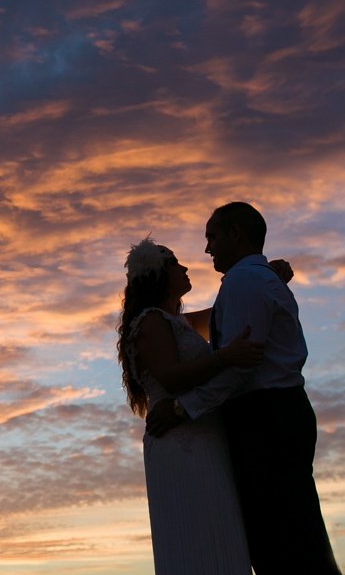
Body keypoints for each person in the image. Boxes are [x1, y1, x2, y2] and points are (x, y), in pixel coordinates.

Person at [147, 202, 341, 574]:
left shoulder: (245, 283)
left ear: (236, 234)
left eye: (212, 237)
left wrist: (180, 409)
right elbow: (215, 341)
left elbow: (239, 368)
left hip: (264, 417)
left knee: (284, 539)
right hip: (271, 414)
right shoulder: (250, 282)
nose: (207, 250)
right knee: (288, 532)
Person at [118, 236, 263, 574]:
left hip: (202, 434)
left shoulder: (174, 321)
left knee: (217, 530)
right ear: (157, 276)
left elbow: (222, 315)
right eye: (174, 264)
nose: (184, 268)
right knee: (196, 532)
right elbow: (171, 377)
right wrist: (227, 357)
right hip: (182, 440)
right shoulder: (152, 321)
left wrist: (263, 277)